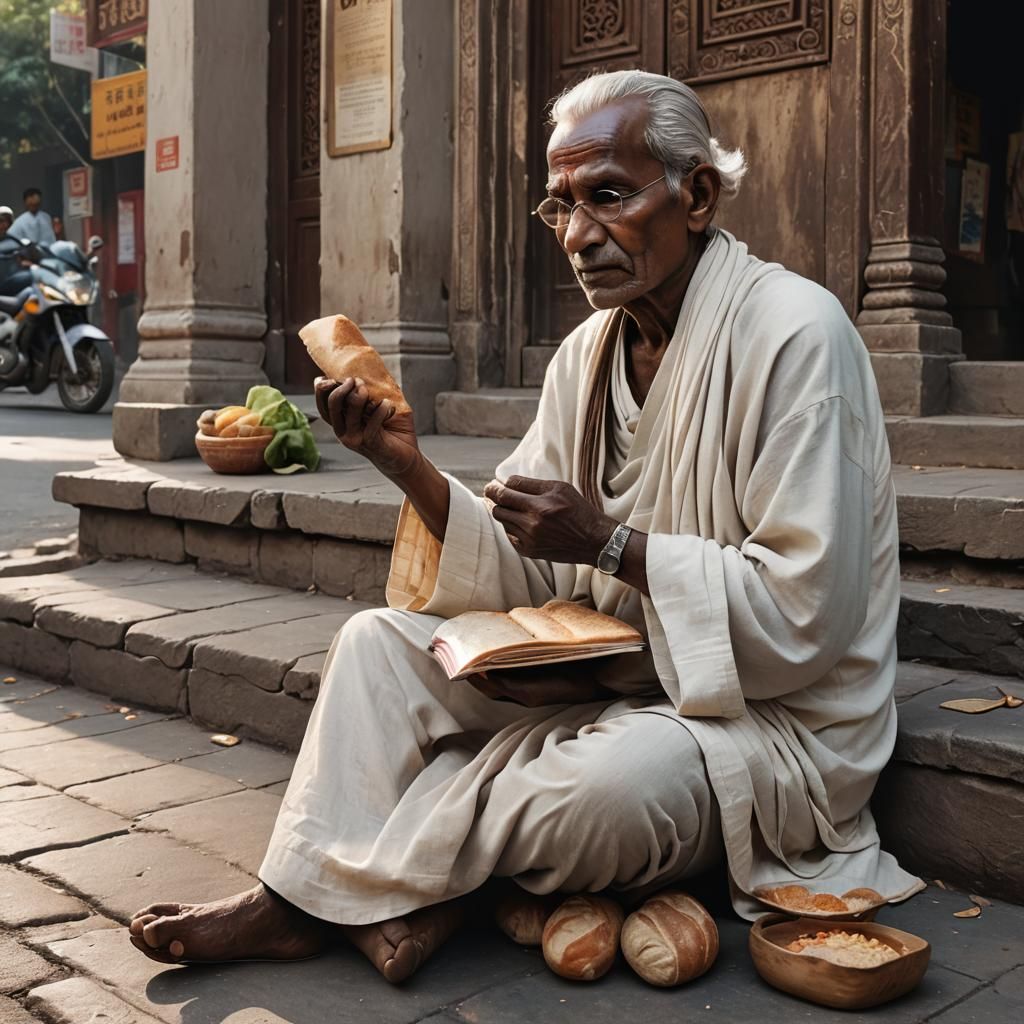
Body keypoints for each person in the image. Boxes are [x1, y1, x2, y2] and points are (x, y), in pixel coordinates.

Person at [129, 70, 924, 980]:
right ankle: (319, 894)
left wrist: (607, 548)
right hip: (617, 678)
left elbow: (805, 618)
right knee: (375, 648)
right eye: (562, 209)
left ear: (697, 194)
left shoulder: (798, 334)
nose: (580, 238)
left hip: (767, 722)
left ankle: (357, 888)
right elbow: (530, 568)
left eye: (609, 198)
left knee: (601, 795)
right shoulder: (586, 354)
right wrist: (409, 468)